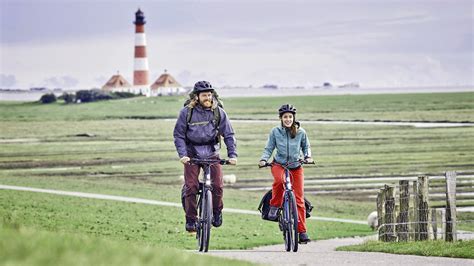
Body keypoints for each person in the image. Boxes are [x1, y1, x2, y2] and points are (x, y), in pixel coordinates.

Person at [173, 80, 237, 232]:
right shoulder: (186, 112)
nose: (208, 98)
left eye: (209, 94)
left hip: (212, 152)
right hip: (191, 154)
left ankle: (216, 212)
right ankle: (191, 220)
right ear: (196, 97)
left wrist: (232, 154)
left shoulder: (218, 112)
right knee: (191, 187)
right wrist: (183, 155)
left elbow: (228, 134)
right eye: (204, 95)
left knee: (218, 186)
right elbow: (179, 135)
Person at [259, 104, 313, 243]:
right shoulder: (275, 132)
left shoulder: (301, 132)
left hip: (296, 166)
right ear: (281, 118)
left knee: (299, 200)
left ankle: (302, 232)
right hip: (279, 165)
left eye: (290, 117)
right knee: (279, 181)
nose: (288, 119)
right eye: (285, 117)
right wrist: (264, 159)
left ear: (293, 118)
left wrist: (308, 157)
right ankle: (275, 206)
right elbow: (269, 148)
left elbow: (306, 147)